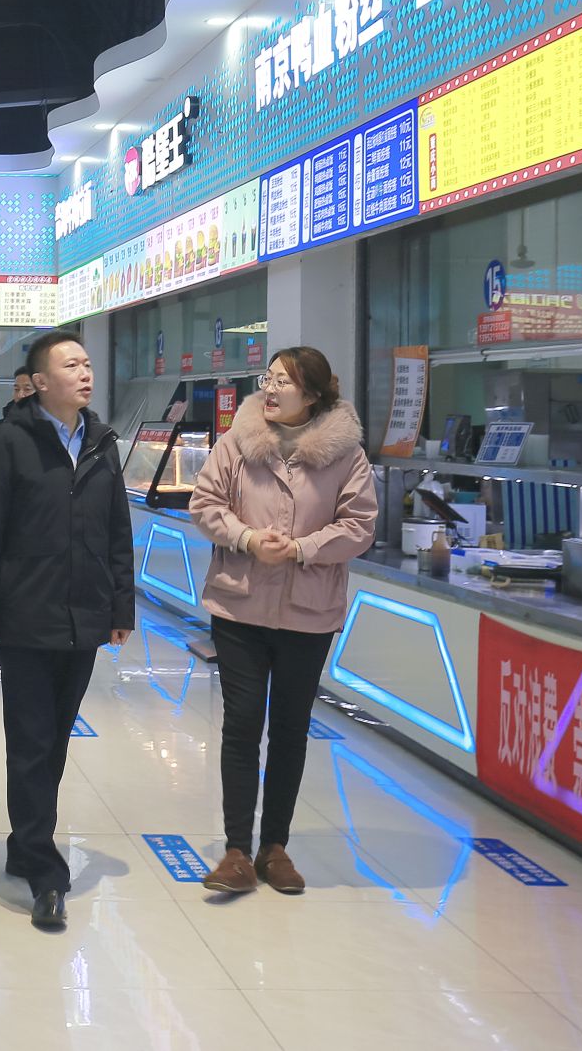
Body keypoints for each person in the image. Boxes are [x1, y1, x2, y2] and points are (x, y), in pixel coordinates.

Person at [0, 330, 133, 933]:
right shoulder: (9, 440)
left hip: (86, 612)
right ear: (38, 382)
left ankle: (24, 841)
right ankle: (45, 870)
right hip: (25, 614)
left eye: (87, 363)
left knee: (55, 737)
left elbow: (117, 530)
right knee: (31, 738)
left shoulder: (102, 442)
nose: (85, 373)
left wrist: (121, 607)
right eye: (70, 365)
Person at [191, 346, 376, 896]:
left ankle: (275, 847)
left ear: (313, 394)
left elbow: (359, 524)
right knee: (242, 723)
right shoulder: (237, 442)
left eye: (284, 382)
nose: (270, 390)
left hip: (308, 612)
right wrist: (247, 538)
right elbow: (205, 503)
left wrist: (300, 549)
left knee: (291, 728)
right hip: (240, 605)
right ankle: (235, 850)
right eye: (267, 379)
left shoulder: (346, 455)